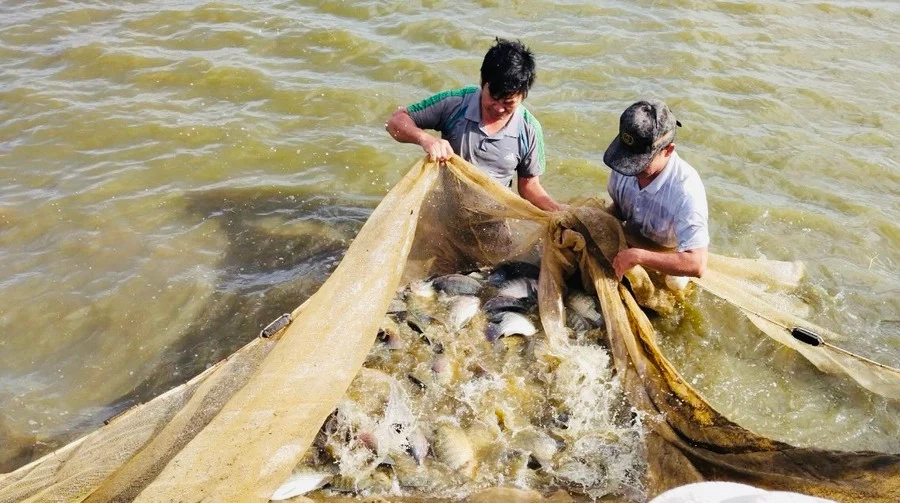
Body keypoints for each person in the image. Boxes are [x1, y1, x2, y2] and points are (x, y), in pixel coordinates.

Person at [385, 38, 563, 212]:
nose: (499, 108)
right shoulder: (455, 103)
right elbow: (395, 122)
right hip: (448, 212)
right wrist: (426, 139)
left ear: (523, 95)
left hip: (495, 217)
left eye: (508, 102)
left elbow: (529, 186)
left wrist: (557, 210)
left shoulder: (529, 129)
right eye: (493, 98)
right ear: (483, 84)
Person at [601, 99, 709, 284]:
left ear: (667, 150)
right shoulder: (622, 166)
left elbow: (697, 263)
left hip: (667, 255)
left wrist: (640, 257)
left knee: (674, 285)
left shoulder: (686, 191)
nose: (631, 170)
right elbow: (619, 209)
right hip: (630, 242)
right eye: (627, 160)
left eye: (640, 164)